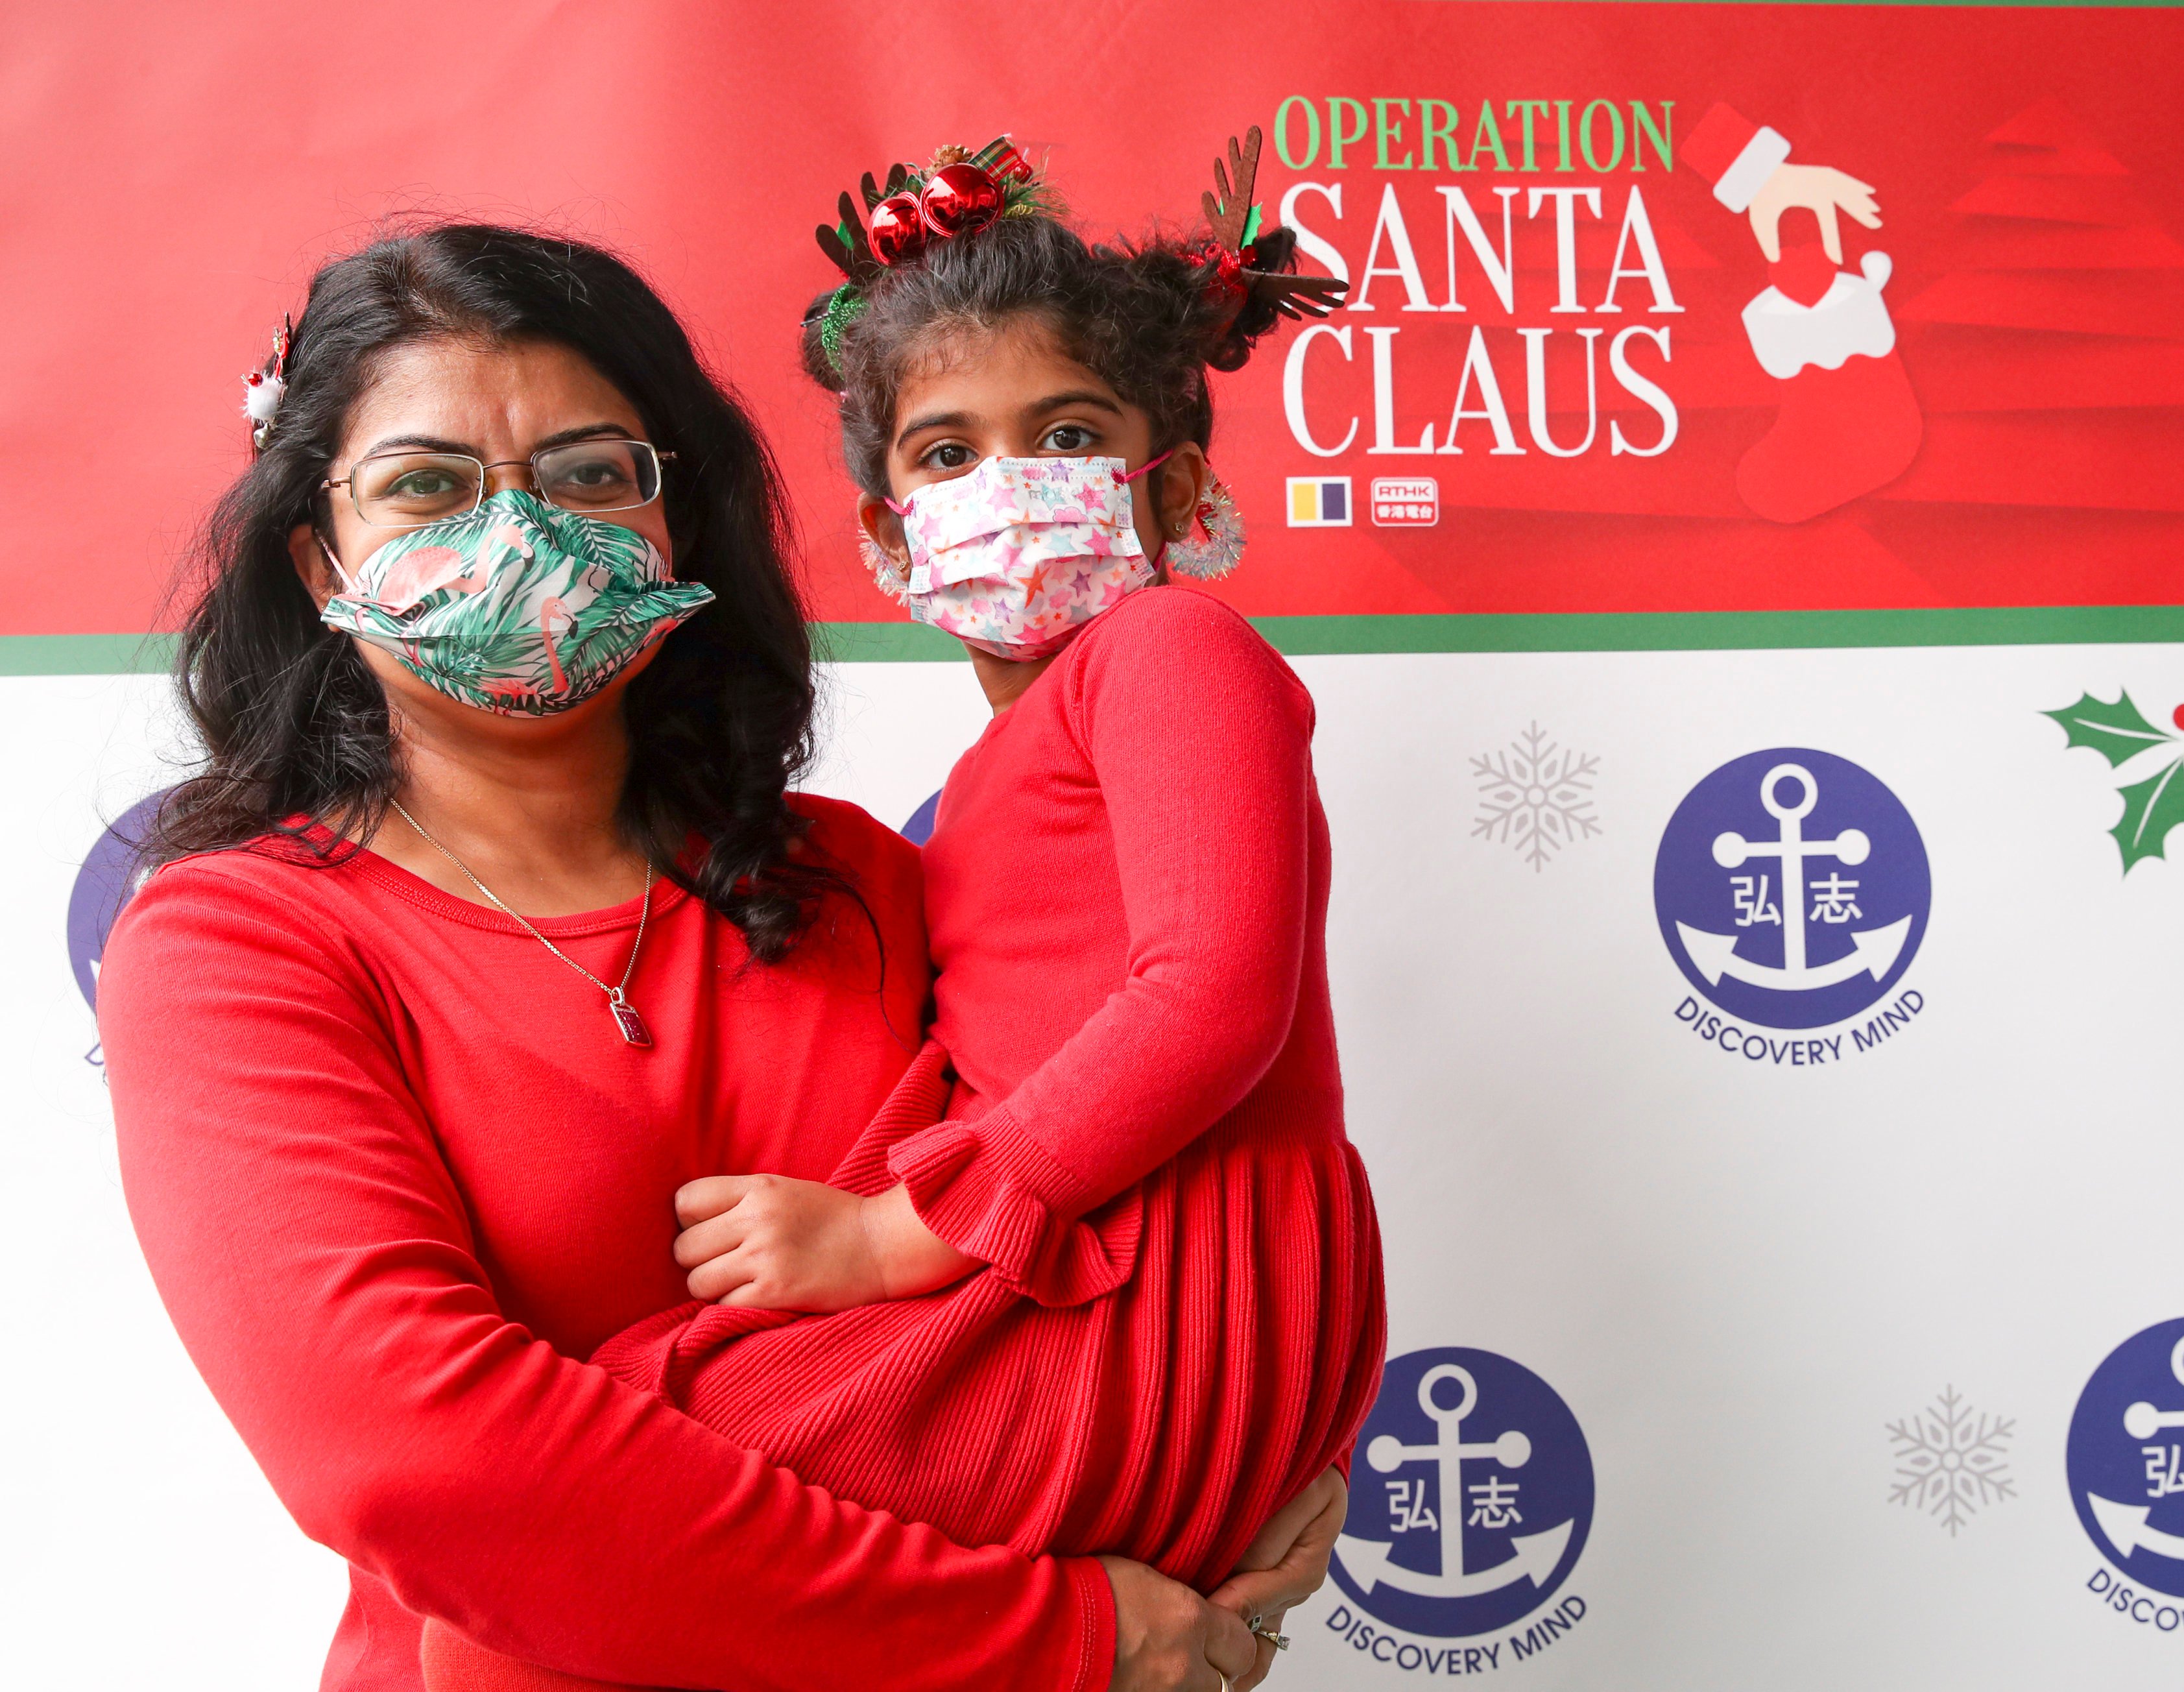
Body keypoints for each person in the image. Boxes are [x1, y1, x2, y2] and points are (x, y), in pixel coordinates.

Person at [101, 223, 1320, 1692]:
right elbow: (427, 1464)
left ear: (674, 519)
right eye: (428, 484)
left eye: (588, 472)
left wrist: (1229, 1447)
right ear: (318, 552)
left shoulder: (857, 881)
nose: (521, 532)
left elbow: (1109, 1185)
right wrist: (1061, 1632)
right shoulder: (240, 943)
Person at [424, 131, 1387, 1692]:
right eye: (944, 454)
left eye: (1065, 433)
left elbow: (1211, 993)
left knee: (551, 1540)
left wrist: (893, 1228)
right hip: (1086, 1268)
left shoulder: (1170, 651)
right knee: (583, 1494)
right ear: (885, 533)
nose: (1004, 485)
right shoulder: (996, 769)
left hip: (1136, 1288)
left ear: (1179, 482)